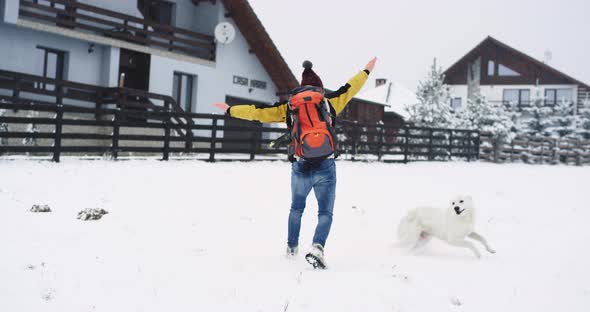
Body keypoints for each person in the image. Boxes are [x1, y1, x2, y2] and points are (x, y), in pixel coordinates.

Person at [213, 57, 377, 268]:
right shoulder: (330, 102)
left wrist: (230, 109)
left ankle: (291, 249)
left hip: (301, 164)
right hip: (326, 166)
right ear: (320, 89)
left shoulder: (290, 107)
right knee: (325, 212)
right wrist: (366, 70)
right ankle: (317, 247)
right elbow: (352, 87)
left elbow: (258, 113)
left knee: (296, 209)